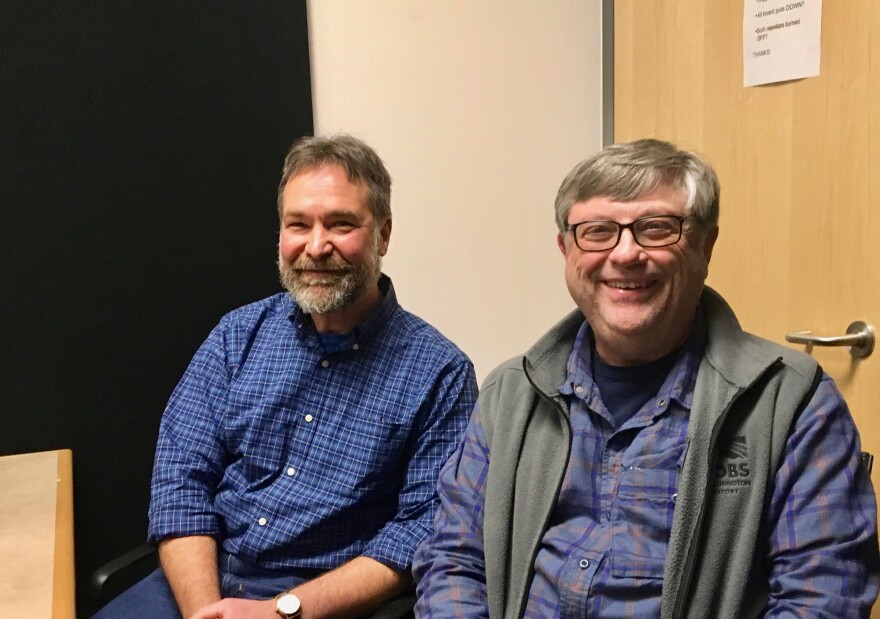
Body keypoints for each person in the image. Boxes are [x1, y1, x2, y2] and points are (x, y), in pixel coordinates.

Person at [413, 138, 879, 618]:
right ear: (566, 249)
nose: (626, 253)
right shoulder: (511, 394)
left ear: (705, 244)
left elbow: (822, 599)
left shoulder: (791, 403)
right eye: (597, 231)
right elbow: (454, 561)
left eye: (657, 229)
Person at [96, 134, 478, 619]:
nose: (316, 247)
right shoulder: (237, 336)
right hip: (198, 584)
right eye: (299, 224)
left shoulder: (439, 373)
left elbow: (420, 530)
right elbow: (181, 480)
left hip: (318, 602)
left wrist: (283, 611)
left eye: (340, 224)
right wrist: (207, 611)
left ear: (383, 234)